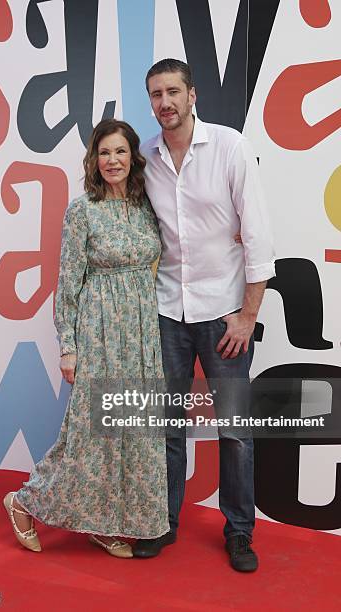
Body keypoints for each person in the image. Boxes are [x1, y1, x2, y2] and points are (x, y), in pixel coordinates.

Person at [133, 59, 275, 572]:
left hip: (222, 315)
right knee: (166, 425)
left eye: (173, 92)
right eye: (155, 95)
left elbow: (258, 237)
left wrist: (246, 317)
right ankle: (163, 523)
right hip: (167, 311)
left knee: (235, 429)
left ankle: (239, 532)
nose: (164, 102)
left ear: (192, 95)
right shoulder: (144, 155)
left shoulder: (231, 147)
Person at [3, 119, 169, 558]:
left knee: (132, 434)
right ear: (94, 161)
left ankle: (104, 522)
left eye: (119, 152)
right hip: (99, 332)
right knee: (90, 437)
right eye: (103, 153)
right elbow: (69, 282)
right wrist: (69, 348)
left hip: (141, 334)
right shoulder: (83, 211)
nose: (112, 161)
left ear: (133, 157)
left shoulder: (145, 206)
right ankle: (23, 502)